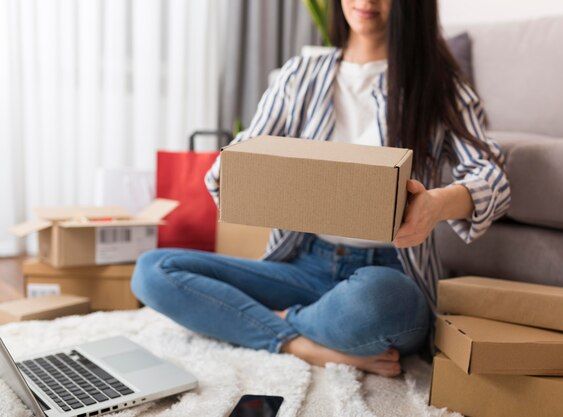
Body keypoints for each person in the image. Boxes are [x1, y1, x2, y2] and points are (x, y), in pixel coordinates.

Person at [131, 0, 510, 378]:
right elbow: (240, 157)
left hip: (386, 273)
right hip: (302, 267)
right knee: (153, 270)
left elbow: (491, 175)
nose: (365, 2)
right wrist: (234, 173)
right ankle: (300, 343)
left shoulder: (440, 84)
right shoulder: (301, 74)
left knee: (381, 300)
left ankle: (272, 322)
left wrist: (436, 204)